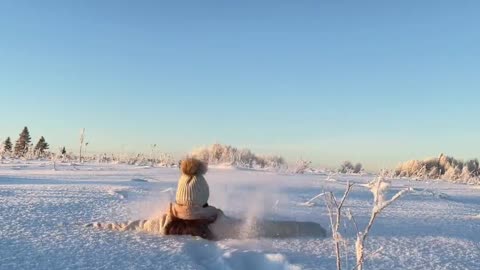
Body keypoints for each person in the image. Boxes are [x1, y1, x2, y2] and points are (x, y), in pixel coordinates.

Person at [88, 158, 326, 240]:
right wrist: (315, 228)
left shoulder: (161, 224)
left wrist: (96, 225)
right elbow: (273, 229)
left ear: (179, 197)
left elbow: (128, 226)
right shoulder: (224, 226)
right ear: (204, 197)